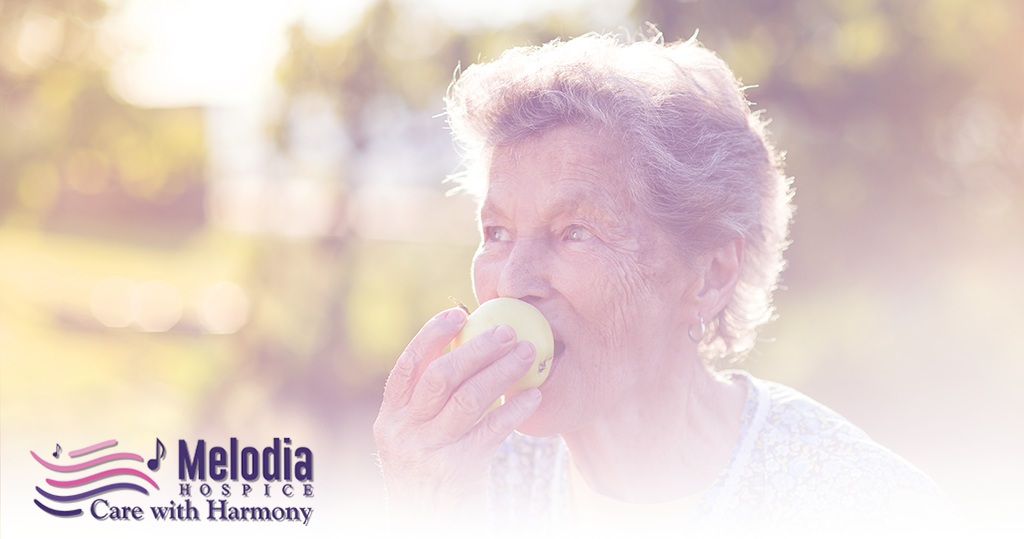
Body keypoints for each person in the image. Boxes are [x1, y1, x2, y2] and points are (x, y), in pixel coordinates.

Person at [372, 31, 952, 536]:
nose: (513, 282)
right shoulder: (468, 475)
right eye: (496, 231)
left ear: (710, 276)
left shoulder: (861, 506)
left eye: (575, 232)